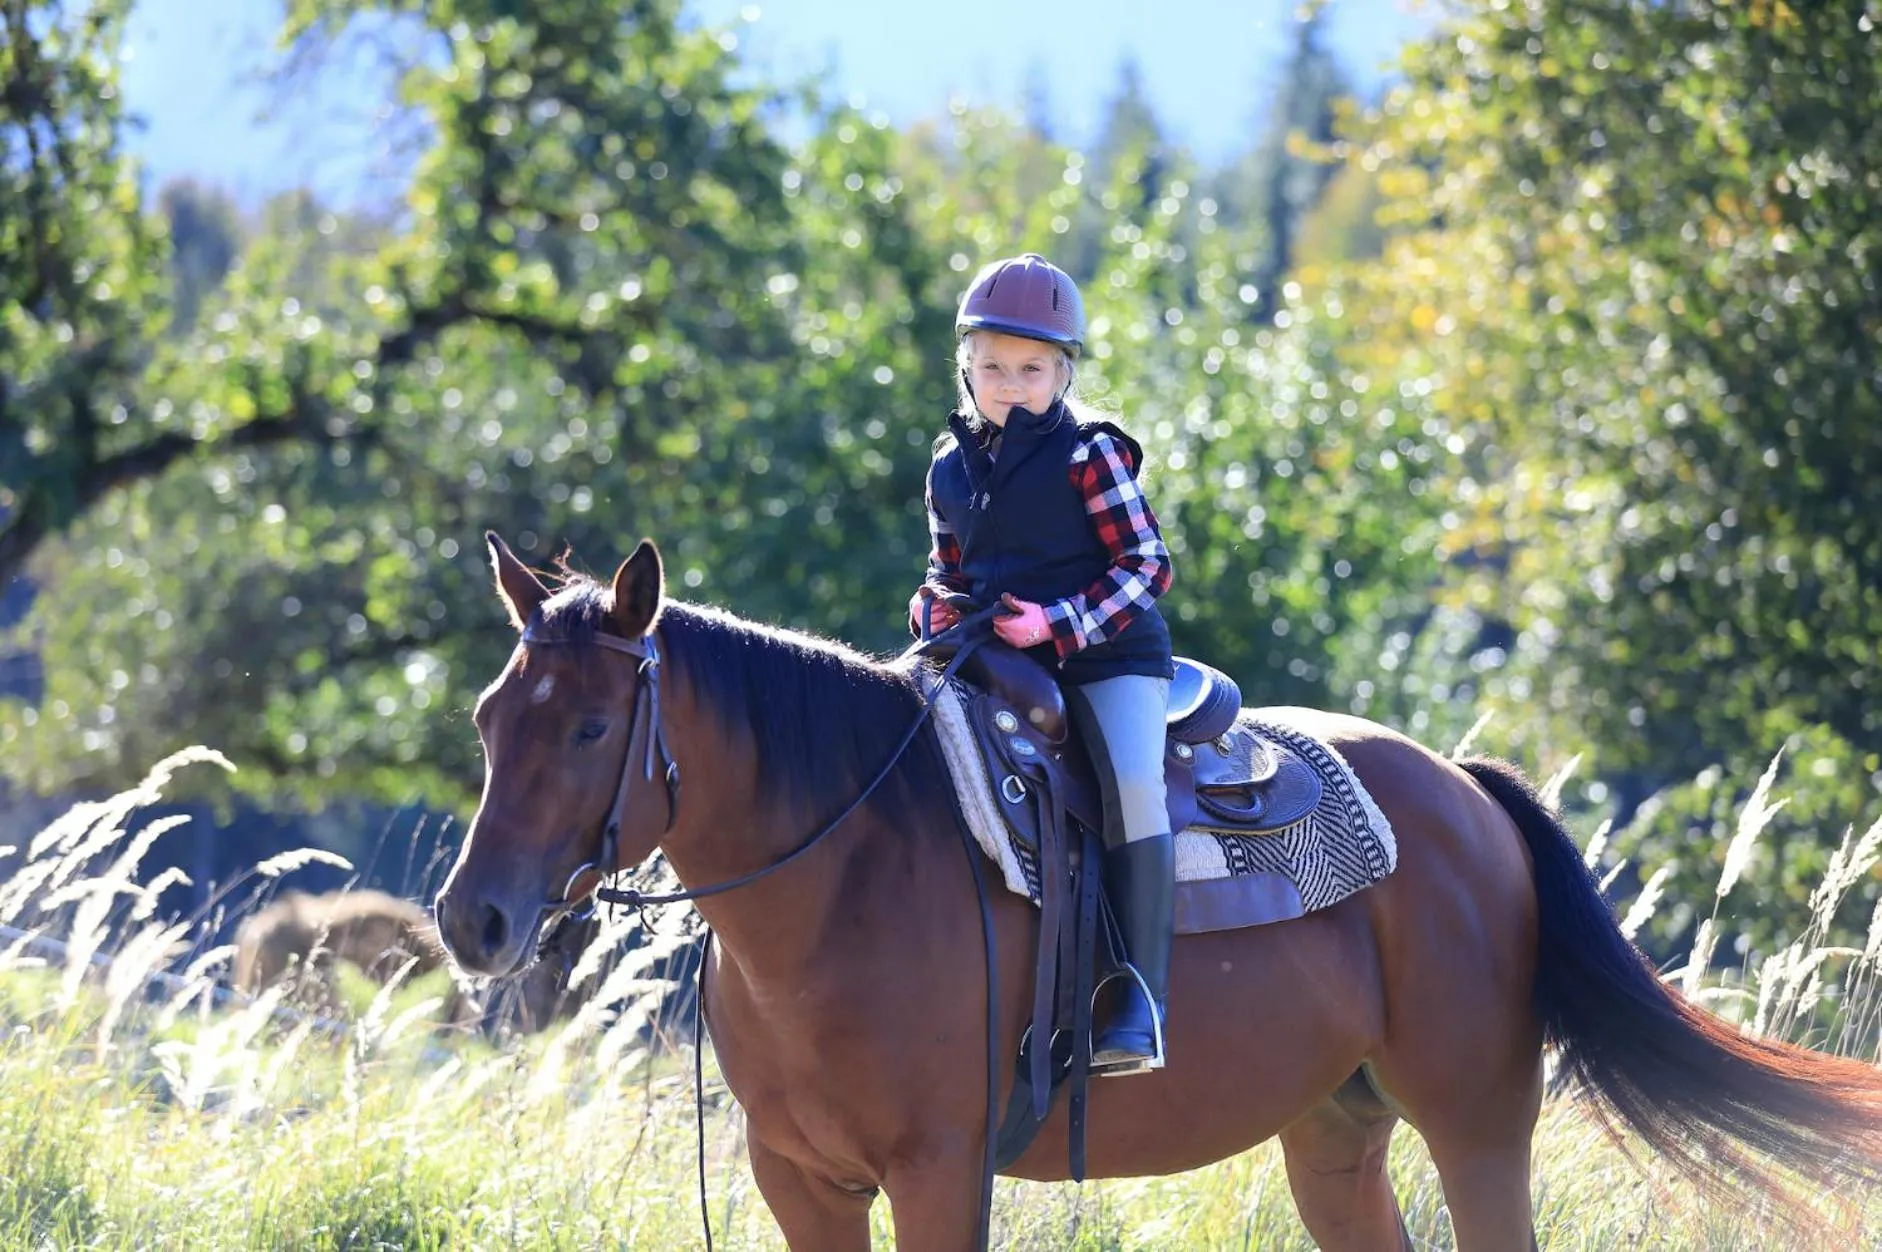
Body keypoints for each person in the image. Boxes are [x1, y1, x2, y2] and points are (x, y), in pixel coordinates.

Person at [909, 252, 1177, 1073]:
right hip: (991, 655)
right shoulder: (949, 466)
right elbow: (944, 571)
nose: (1010, 384)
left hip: (1107, 655)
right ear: (967, 368)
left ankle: (1140, 1000)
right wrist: (932, 610)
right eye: (992, 367)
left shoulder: (1088, 455)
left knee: (1131, 784)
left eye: (1030, 369)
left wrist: (1056, 624)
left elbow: (1147, 566)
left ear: (1062, 372)